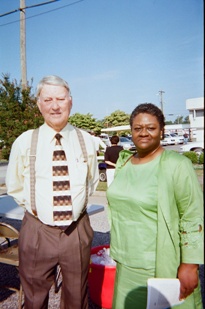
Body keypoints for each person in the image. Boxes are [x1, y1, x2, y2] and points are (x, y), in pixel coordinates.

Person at [6, 75, 99, 309]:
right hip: (38, 230)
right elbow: (15, 185)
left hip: (76, 230)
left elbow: (92, 181)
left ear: (71, 102)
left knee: (77, 296)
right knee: (34, 297)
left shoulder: (86, 140)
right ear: (39, 104)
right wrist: (39, 212)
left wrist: (74, 210)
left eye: (60, 98)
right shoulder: (25, 141)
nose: (55, 105)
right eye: (48, 99)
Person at [106, 103, 203, 309]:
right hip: (124, 264)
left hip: (159, 266)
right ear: (131, 131)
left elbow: (193, 215)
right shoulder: (125, 163)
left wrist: (190, 265)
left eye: (151, 128)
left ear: (162, 131)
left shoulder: (177, 165)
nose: (144, 133)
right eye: (138, 128)